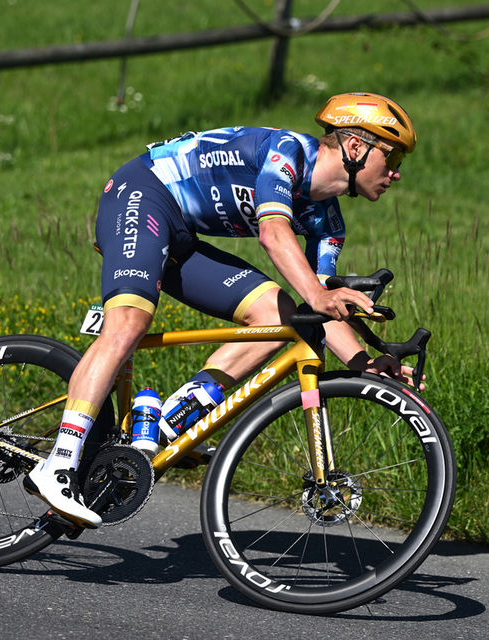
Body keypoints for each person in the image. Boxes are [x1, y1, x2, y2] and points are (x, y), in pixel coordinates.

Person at [23, 91, 420, 528]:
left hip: (181, 235)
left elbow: (317, 309)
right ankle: (58, 463)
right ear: (357, 147)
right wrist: (318, 293)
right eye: (393, 154)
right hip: (143, 194)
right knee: (129, 324)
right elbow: (273, 233)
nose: (396, 172)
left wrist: (366, 364)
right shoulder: (286, 154)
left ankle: (165, 426)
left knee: (281, 318)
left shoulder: (328, 224)